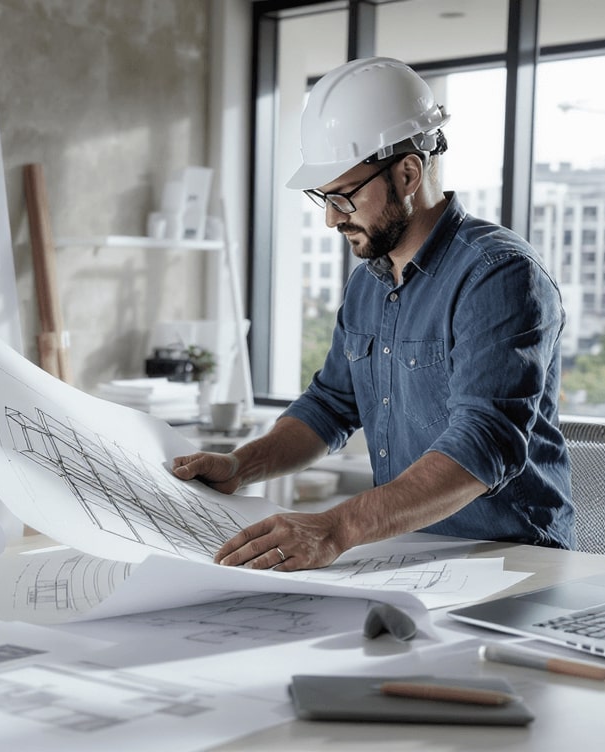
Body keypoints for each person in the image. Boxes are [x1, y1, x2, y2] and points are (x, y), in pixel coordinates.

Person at [172, 57, 572, 571]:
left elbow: (483, 444)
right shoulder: (369, 280)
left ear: (407, 173)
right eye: (324, 197)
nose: (331, 218)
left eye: (343, 196)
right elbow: (331, 405)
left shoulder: (498, 274)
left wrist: (336, 527)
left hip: (507, 563)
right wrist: (240, 466)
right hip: (405, 555)